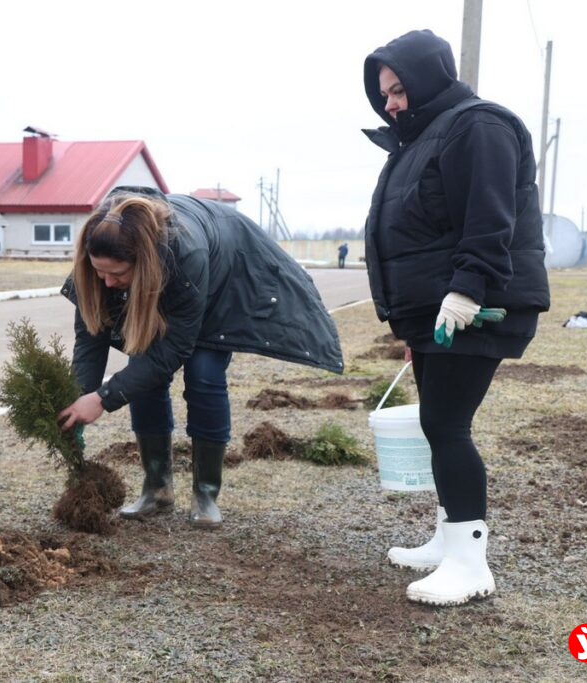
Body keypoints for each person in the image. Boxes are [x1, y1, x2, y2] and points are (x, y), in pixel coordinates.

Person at [362, 30, 550, 605]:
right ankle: (449, 540)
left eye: (398, 90)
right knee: (437, 425)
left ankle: (470, 563)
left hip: (479, 306)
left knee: (447, 426)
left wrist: (466, 291)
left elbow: (489, 218)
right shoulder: (420, 140)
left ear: (428, 77)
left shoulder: (479, 126)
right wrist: (414, 322)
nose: (391, 104)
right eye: (384, 95)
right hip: (437, 311)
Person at [58, 186, 344, 529]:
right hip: (170, 279)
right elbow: (91, 338)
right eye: (100, 272)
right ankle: (156, 490)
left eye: (117, 275)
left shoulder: (184, 254)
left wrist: (103, 399)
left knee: (204, 374)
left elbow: (172, 350)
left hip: (223, 283)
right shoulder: (101, 256)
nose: (106, 283)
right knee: (141, 375)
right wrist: (79, 398)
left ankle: (206, 494)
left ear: (144, 261)